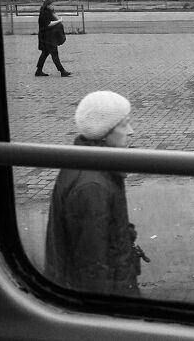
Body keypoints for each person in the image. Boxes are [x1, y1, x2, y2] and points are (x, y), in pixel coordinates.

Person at [45, 91, 142, 296]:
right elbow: (92, 269)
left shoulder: (91, 163)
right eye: (124, 124)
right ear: (105, 132)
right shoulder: (92, 187)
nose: (131, 131)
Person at [36, 0, 71, 77]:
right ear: (47, 5)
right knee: (54, 54)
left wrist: (57, 18)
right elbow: (48, 24)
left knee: (45, 53)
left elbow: (54, 19)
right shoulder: (44, 13)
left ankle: (38, 70)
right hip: (46, 37)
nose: (53, 6)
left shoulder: (49, 12)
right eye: (51, 4)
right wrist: (59, 21)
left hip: (50, 36)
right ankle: (62, 71)